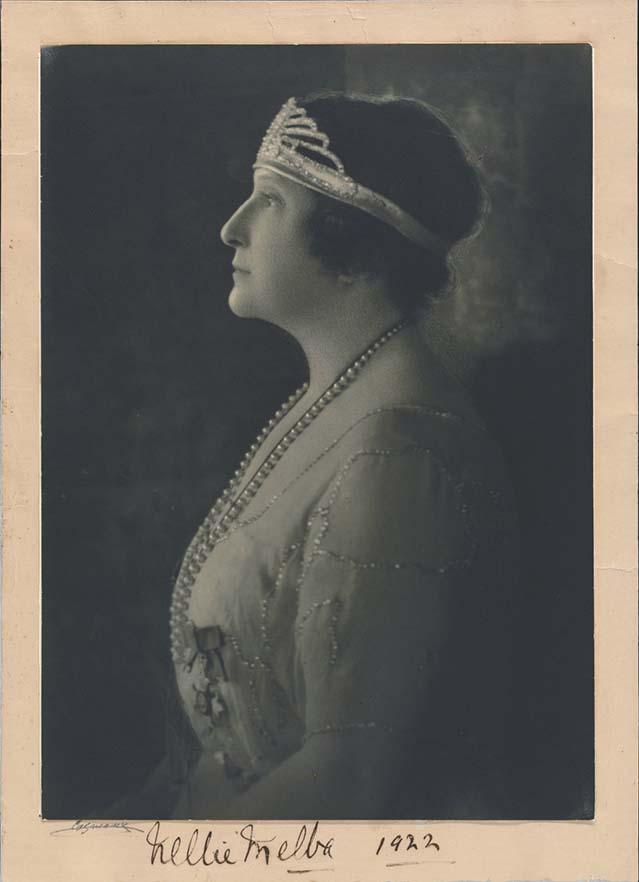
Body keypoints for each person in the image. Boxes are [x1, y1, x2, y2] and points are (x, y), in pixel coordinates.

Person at [108, 91, 519, 820]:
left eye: (269, 201)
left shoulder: (397, 456)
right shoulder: (336, 399)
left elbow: (344, 780)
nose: (231, 227)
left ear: (351, 241)